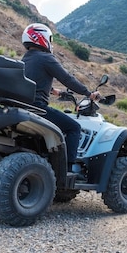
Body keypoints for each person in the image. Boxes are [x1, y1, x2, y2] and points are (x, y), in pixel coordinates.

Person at [20, 23, 100, 169]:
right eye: (49, 39)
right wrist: (89, 93)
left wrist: (52, 90)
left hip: (23, 107)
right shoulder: (45, 58)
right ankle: (67, 168)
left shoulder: (25, 59)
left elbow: (31, 80)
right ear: (42, 38)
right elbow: (67, 79)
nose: (50, 43)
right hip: (38, 108)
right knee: (74, 128)